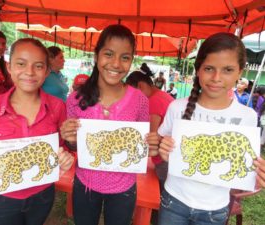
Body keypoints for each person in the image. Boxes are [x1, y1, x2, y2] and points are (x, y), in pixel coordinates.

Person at [157, 32, 265, 225]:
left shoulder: (247, 117)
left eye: (228, 70)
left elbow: (243, 170)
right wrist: (162, 148)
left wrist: (256, 175)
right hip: (173, 201)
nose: (216, 77)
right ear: (198, 70)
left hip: (215, 209)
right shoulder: (177, 107)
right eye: (209, 68)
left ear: (240, 72)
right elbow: (158, 144)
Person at [0, 38, 74, 225]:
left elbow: (61, 147)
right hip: (2, 197)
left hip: (42, 193)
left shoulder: (57, 107)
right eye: (21, 64)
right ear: (9, 67)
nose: (29, 72)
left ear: (47, 71)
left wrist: (65, 156)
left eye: (38, 66)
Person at [60, 24, 158, 225]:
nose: (116, 63)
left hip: (124, 188)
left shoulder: (140, 100)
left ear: (131, 60)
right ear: (96, 56)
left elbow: (141, 145)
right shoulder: (76, 99)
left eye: (125, 57)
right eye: (109, 54)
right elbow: (75, 147)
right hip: (85, 184)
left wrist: (152, 145)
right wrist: (70, 140)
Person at [126, 62, 174, 225]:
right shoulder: (162, 95)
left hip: (164, 157)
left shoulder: (153, 101)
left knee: (159, 196)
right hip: (166, 155)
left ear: (140, 86)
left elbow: (152, 136)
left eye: (132, 92)